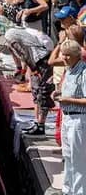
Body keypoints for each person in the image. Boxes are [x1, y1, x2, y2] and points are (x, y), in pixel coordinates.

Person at [56, 38, 86, 195]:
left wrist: (67, 100)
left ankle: (80, 191)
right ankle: (68, 190)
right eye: (63, 54)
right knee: (67, 156)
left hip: (79, 119)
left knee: (78, 159)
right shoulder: (69, 70)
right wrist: (59, 93)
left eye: (67, 55)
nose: (64, 57)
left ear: (76, 55)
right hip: (67, 117)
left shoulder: (84, 72)